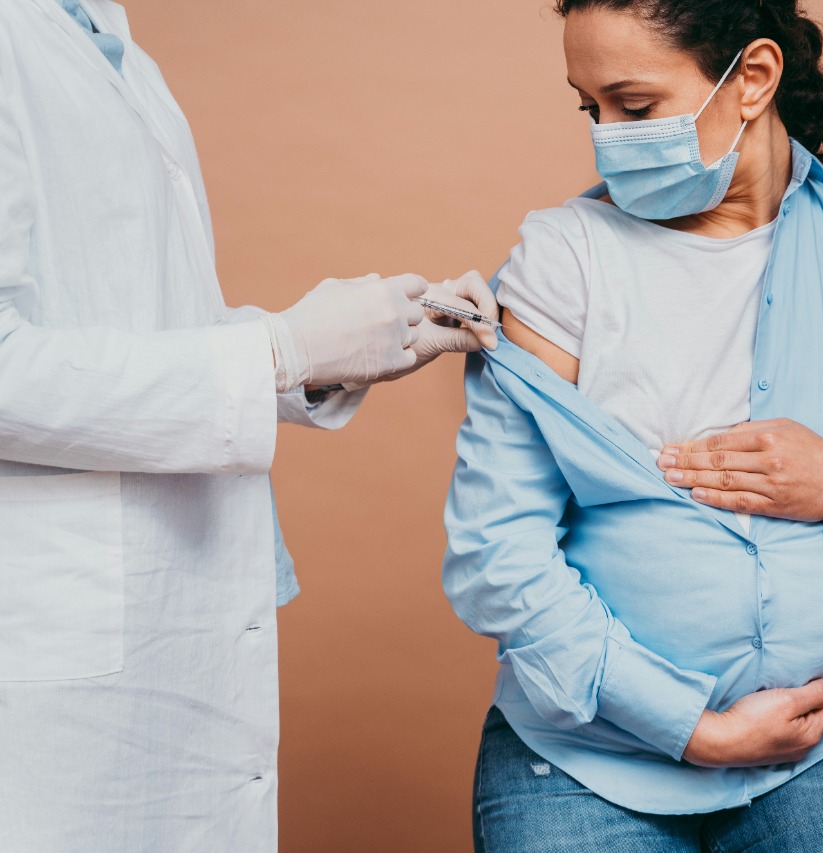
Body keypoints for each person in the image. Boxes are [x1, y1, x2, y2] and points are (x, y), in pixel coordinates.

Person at [443, 1, 823, 850]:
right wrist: (693, 728)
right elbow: (496, 552)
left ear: (754, 79)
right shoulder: (563, 260)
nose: (607, 138)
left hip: (819, 744)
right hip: (588, 754)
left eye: (635, 106)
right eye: (591, 108)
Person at [0, 2, 496, 851]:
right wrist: (281, 349)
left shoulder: (106, 41)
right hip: (57, 661)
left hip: (162, 619)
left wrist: (329, 353)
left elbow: (142, 322)